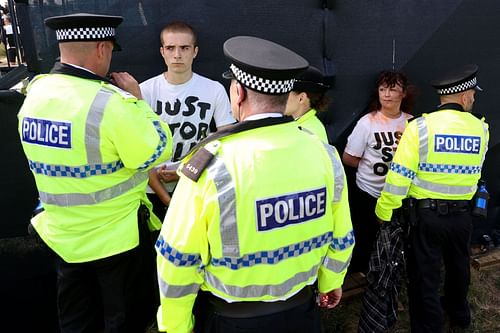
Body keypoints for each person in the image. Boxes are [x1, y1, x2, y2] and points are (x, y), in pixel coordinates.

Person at [155, 36, 354, 333]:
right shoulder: (325, 155)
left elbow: (178, 258)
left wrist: (175, 325)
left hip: (234, 321)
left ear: (238, 93)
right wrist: (331, 281)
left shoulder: (211, 165)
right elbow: (342, 235)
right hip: (302, 312)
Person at [17, 13, 173, 333]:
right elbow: (155, 152)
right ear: (102, 49)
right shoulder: (110, 103)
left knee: (76, 320)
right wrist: (138, 101)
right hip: (115, 239)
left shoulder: (36, 93)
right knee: (123, 321)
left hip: (63, 234)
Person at [375, 64, 489, 332]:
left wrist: (384, 211)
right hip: (463, 216)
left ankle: (429, 326)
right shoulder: (482, 129)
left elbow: (399, 176)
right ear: (464, 96)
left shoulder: (419, 127)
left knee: (425, 274)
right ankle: (460, 316)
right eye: (472, 94)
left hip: (426, 217)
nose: (473, 98)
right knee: (459, 266)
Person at [140, 21, 235, 220]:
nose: (177, 55)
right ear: (162, 51)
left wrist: (184, 171)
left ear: (195, 51)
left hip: (196, 182)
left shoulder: (213, 89)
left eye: (184, 48)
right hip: (150, 188)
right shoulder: (145, 91)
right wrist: (166, 199)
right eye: (170, 48)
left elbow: (226, 143)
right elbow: (138, 151)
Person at [342, 70, 414, 273]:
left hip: (399, 195)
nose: (387, 95)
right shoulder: (368, 122)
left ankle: (391, 269)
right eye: (383, 89)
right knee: (366, 236)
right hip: (368, 193)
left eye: (393, 89)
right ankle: (364, 272)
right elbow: (348, 157)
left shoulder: (413, 123)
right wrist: (369, 166)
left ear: (404, 93)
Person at [284, 65, 330, 143]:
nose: (278, 98)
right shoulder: (306, 127)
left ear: (301, 98)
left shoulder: (307, 134)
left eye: (285, 94)